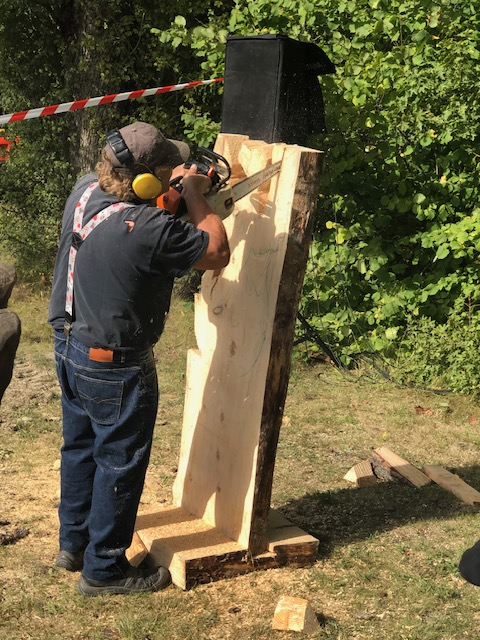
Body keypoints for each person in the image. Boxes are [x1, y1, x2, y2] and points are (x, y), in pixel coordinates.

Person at [48, 121, 230, 596]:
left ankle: (74, 545)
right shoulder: (147, 227)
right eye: (167, 169)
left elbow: (125, 217)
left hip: (69, 348)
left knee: (80, 448)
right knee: (120, 460)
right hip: (116, 365)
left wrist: (167, 194)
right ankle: (104, 570)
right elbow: (217, 250)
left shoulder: (85, 191)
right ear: (148, 180)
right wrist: (193, 194)